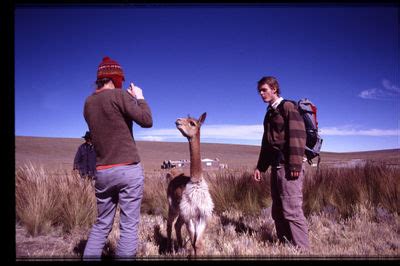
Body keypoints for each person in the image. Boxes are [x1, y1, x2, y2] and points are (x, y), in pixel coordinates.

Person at [82, 56, 153, 259]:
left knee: (102, 224)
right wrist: (139, 97)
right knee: (129, 226)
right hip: (128, 168)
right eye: (120, 78)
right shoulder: (120, 95)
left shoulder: (88, 103)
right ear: (115, 77)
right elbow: (146, 120)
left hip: (103, 171)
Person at [253, 76, 310, 250]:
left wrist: (294, 165)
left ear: (274, 89)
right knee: (278, 209)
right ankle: (285, 244)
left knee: (292, 209)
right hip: (275, 167)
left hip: (288, 166)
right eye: (260, 91)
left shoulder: (288, 107)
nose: (261, 94)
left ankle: (302, 249)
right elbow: (267, 143)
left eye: (264, 90)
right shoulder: (270, 112)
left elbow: (298, 136)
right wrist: (261, 167)